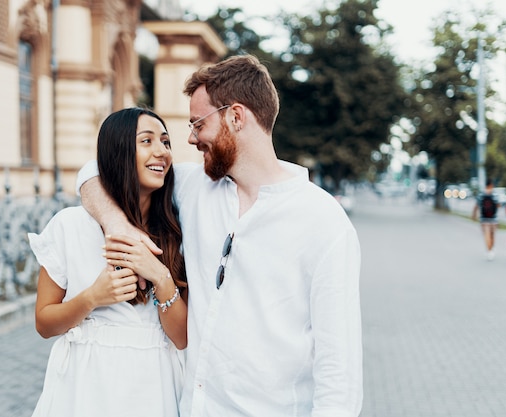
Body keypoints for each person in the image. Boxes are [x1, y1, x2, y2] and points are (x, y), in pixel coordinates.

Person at [78, 55, 363, 416]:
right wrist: (118, 225)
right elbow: (96, 172)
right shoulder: (193, 187)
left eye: (198, 122)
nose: (192, 137)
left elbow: (340, 370)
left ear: (236, 116)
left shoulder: (324, 221)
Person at [28, 107, 187, 417]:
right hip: (84, 386)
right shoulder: (70, 225)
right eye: (147, 141)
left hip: (153, 387)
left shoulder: (175, 230)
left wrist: (160, 276)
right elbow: (44, 324)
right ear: (119, 151)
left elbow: (181, 338)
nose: (161, 152)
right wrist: (93, 297)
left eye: (166, 142)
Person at [472, 178, 500, 260]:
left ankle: (489, 251)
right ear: (491, 185)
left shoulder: (481, 194)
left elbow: (476, 205)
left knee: (486, 235)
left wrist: (474, 214)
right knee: (492, 235)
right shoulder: (494, 194)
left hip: (484, 219)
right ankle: (491, 249)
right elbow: (498, 205)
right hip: (493, 219)